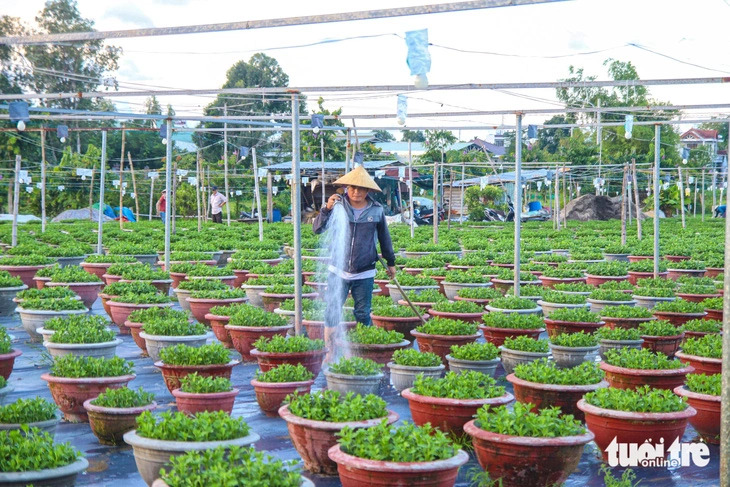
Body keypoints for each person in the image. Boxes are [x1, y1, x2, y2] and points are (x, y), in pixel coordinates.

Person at [313, 166, 397, 352]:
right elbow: (317, 229)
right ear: (345, 188)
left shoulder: (376, 210)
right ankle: (330, 350)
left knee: (362, 312)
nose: (356, 192)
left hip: (364, 271)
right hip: (338, 269)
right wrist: (326, 209)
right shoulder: (337, 205)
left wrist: (391, 263)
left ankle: (363, 351)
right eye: (352, 187)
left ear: (367, 190)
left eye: (360, 188)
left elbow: (384, 238)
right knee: (332, 310)